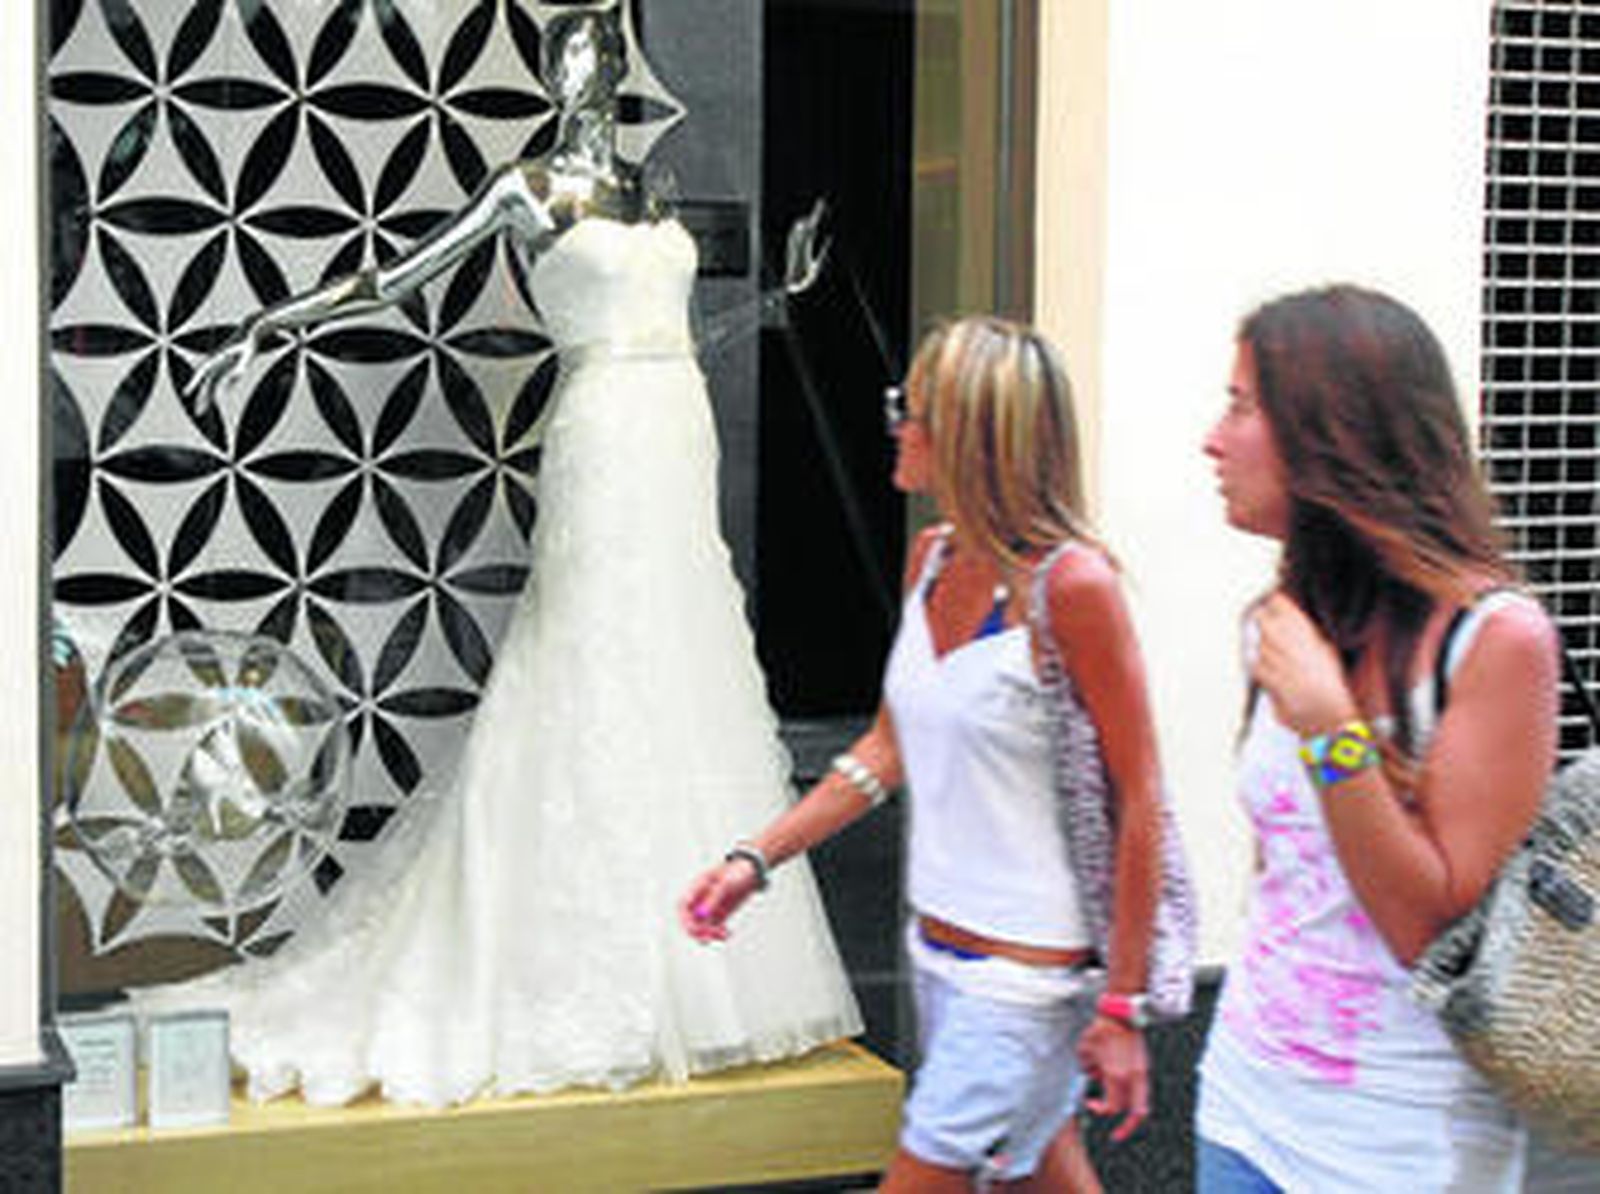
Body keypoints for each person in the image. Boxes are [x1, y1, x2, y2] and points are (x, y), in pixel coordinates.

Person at [140, 7, 861, 1107]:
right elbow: (397, 279)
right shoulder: (528, 189)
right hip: (600, 437)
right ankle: (569, 952)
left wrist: (779, 299)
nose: (587, 67)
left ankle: (702, 969)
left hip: (673, 427)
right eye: (569, 50)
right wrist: (267, 327)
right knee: (586, 657)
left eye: (602, 50)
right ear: (548, 69)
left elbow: (671, 337)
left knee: (682, 660)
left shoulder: (654, 193)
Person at [681, 316, 1173, 1192]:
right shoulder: (932, 559)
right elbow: (885, 748)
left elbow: (1140, 798)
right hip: (939, 956)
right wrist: (758, 857)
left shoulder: (1074, 587)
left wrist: (1123, 1004)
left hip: (1024, 981)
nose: (896, 426)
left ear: (977, 433)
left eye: (913, 409)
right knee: (1044, 1178)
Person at [1196, 284, 1559, 1191]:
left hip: (1397, 1147)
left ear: (1331, 431)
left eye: (1241, 405)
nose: (1213, 437)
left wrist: (1331, 728)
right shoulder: (1289, 621)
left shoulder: (1495, 640)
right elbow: (1287, 875)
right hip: (1243, 1104)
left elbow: (1421, 926)